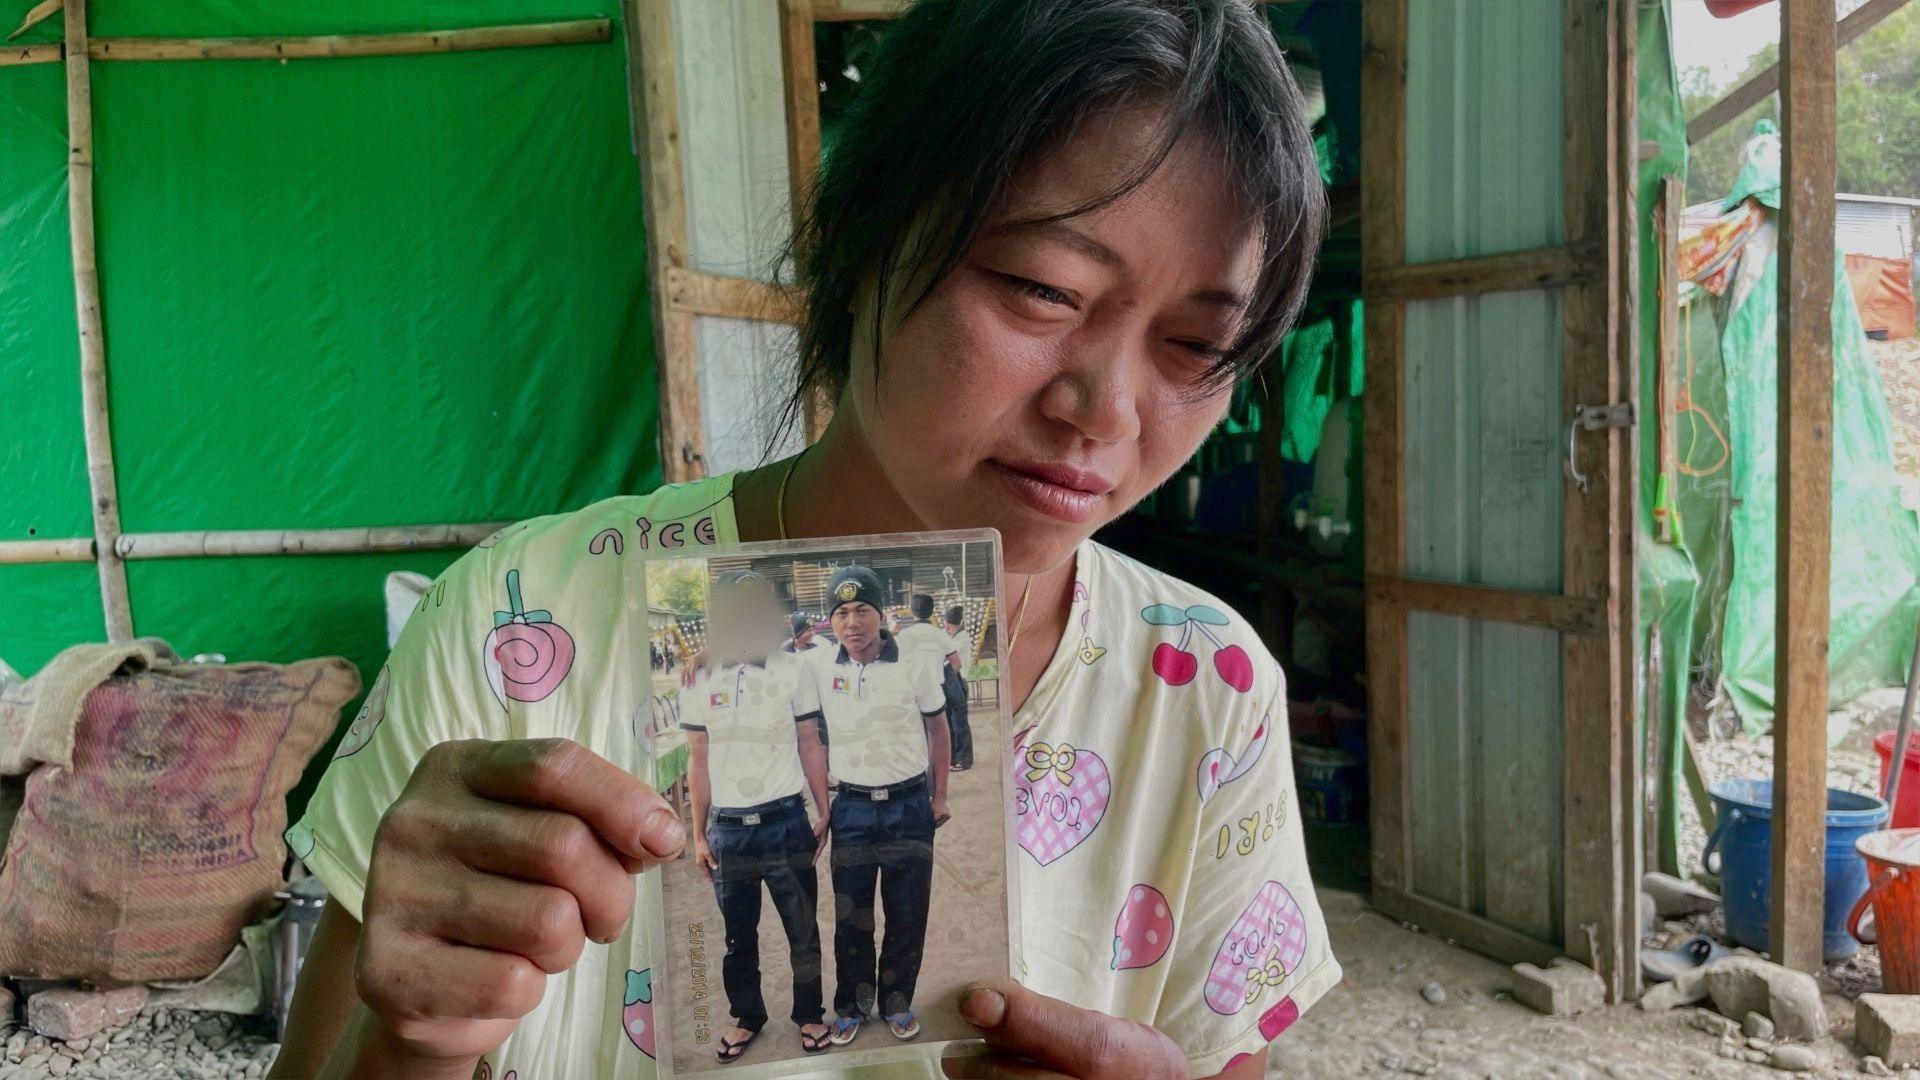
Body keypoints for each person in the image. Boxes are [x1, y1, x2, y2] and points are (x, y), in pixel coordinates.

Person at [272, 2, 1335, 1077]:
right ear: (863, 233)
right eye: (1041, 290)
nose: (1105, 413)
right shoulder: (516, 626)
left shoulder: (1204, 684)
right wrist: (411, 1045)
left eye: (1199, 346)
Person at [681, 571, 834, 1061]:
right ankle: (747, 1017)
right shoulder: (700, 677)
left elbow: (809, 741)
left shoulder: (795, 669)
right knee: (736, 938)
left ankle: (809, 1013)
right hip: (729, 832)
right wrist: (699, 834)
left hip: (786, 824)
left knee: (802, 929)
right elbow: (698, 759)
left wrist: (823, 806)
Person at [794, 567, 950, 1045]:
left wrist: (939, 795)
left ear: (883, 615)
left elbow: (938, 728)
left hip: (907, 806)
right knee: (852, 914)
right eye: (841, 613)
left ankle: (897, 1001)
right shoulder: (818, 667)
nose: (852, 622)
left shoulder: (915, 664)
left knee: (907, 912)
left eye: (863, 610)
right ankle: (853, 1004)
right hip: (853, 810)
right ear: (830, 621)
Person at [895, 593, 971, 771]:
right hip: (937, 688)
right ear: (932, 612)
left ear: (912, 612)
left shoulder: (903, 635)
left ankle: (919, 768)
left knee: (917, 731)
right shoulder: (940, 634)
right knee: (938, 731)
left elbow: (895, 663)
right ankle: (942, 764)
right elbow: (956, 664)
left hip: (911, 689)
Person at [942, 603, 976, 769]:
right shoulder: (951, 637)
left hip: (958, 680)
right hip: (949, 680)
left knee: (959, 721)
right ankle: (954, 757)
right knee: (949, 719)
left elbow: (946, 657)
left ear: (947, 623)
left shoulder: (961, 638)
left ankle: (964, 759)